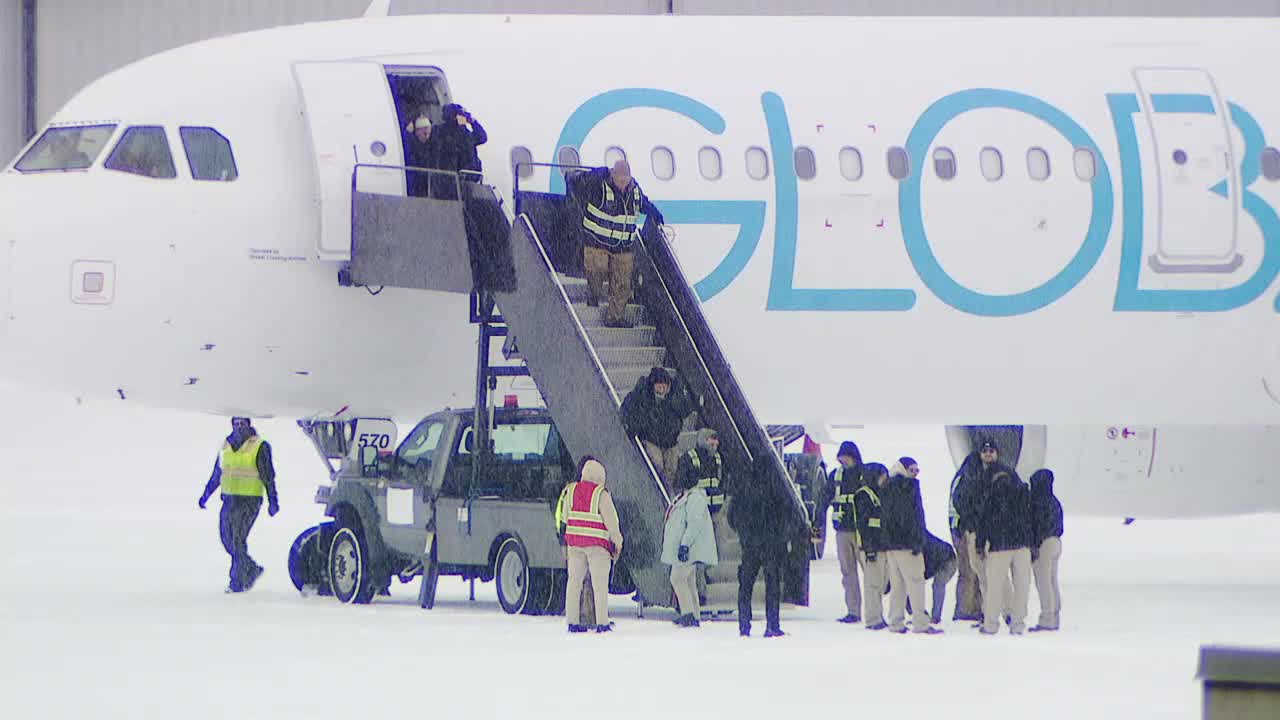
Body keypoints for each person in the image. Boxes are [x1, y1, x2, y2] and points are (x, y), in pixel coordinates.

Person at [567, 159, 665, 328]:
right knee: (596, 270)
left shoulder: (634, 191)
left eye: (625, 180)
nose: (622, 184)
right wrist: (592, 174)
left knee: (622, 283)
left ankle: (615, 317)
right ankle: (593, 295)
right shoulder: (598, 185)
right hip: (597, 242)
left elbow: (644, 205)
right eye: (619, 180)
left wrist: (657, 216)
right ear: (612, 175)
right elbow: (574, 182)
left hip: (623, 246)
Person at [197, 417, 279, 593]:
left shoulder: (259, 446)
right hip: (229, 499)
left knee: (237, 539)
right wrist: (206, 494)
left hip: (249, 500)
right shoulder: (226, 446)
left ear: (249, 424)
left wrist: (273, 501)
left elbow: (268, 476)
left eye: (242, 424)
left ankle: (237, 581)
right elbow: (218, 472)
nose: (239, 427)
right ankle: (251, 568)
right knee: (226, 538)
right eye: (236, 424)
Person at [728, 455, 796, 638]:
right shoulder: (776, 488)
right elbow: (786, 515)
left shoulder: (744, 488)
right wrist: (781, 536)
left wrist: (744, 533)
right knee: (772, 585)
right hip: (771, 545)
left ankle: (744, 626)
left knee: (745, 585)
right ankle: (772, 625)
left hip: (750, 545)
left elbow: (732, 516)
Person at [558, 457, 624, 633]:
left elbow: (565, 517)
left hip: (575, 544)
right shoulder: (601, 494)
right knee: (599, 585)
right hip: (597, 547)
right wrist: (617, 543)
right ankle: (602, 622)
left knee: (574, 582)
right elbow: (612, 522)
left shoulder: (570, 490)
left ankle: (572, 621)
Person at [880, 459, 942, 635]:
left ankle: (896, 621)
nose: (915, 473)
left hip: (891, 546)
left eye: (917, 470)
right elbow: (912, 517)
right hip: (908, 545)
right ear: (904, 469)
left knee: (898, 585)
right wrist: (917, 541)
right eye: (912, 469)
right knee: (916, 583)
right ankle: (920, 622)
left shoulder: (887, 486)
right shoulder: (908, 486)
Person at [977, 469, 1033, 635]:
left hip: (999, 546)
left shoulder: (991, 494)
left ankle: (991, 624)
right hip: (1022, 545)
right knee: (1022, 586)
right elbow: (1031, 520)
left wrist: (980, 545)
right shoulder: (1023, 494)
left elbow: (983, 522)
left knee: (995, 587)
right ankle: (1018, 624)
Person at [662, 465, 718, 627]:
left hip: (689, 548)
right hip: (686, 548)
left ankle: (687, 613)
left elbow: (694, 524)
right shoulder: (686, 496)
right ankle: (694, 613)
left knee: (677, 578)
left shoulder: (695, 498)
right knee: (689, 581)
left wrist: (685, 545)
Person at [621, 367, 696, 489]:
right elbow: (628, 407)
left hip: (671, 441)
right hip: (651, 438)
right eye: (658, 387)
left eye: (664, 387)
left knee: (671, 469)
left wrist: (677, 401)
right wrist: (631, 426)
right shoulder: (643, 393)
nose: (661, 390)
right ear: (653, 385)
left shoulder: (676, 395)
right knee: (657, 465)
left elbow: (686, 410)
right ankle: (653, 489)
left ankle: (665, 494)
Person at [829, 441, 865, 623]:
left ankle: (877, 609)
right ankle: (853, 610)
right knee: (848, 573)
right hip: (842, 531)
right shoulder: (835, 476)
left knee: (872, 572)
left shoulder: (865, 474)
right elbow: (824, 499)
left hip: (862, 532)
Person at [1029, 468, 1065, 632]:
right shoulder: (1054, 501)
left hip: (1044, 544)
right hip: (1056, 542)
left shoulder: (1038, 502)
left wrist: (1034, 545)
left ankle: (1047, 618)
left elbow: (1038, 525)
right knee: (1052, 580)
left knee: (1043, 582)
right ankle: (1055, 615)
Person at [856, 462, 889, 630]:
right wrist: (869, 548)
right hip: (872, 548)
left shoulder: (882, 493)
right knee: (873, 584)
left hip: (882, 546)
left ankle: (878, 615)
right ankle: (872, 618)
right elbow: (864, 524)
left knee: (881, 585)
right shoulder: (864, 495)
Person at [431, 103, 487, 178]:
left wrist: (473, 122)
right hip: (453, 177)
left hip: (468, 177)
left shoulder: (465, 132)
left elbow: (482, 137)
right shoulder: (441, 131)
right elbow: (464, 145)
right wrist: (462, 127)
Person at [678, 428, 725, 515]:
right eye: (711, 444)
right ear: (704, 440)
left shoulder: (718, 459)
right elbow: (682, 482)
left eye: (716, 445)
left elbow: (722, 481)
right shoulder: (689, 457)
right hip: (695, 510)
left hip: (715, 510)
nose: (714, 448)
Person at [403, 116, 437, 198]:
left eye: (428, 133)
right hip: (414, 178)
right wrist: (407, 133)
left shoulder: (431, 145)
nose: (427, 136)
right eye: (424, 133)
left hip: (426, 180)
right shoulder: (411, 143)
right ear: (417, 131)